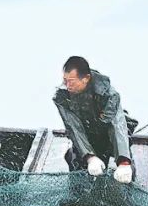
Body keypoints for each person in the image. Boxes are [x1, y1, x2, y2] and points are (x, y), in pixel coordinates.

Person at [53, 56, 136, 184]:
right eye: (65, 80)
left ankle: (129, 187)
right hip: (87, 134)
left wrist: (124, 161)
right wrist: (89, 157)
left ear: (85, 78)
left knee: (126, 167)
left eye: (72, 81)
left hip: (108, 134)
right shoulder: (62, 97)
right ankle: (77, 196)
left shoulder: (109, 94)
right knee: (73, 158)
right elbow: (74, 128)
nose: (67, 85)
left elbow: (116, 125)